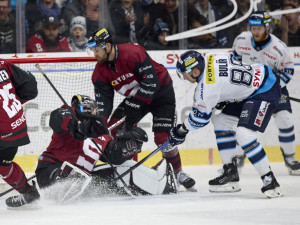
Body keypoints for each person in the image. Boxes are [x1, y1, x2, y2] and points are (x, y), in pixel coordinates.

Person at [87, 27, 196, 191]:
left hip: (161, 93)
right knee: (115, 129)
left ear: (108, 46)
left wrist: (135, 105)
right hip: (137, 98)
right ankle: (132, 170)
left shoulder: (133, 52)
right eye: (92, 50)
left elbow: (152, 83)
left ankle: (178, 173)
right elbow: (105, 106)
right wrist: (99, 127)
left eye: (97, 49)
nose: (94, 54)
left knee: (162, 138)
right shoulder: (100, 73)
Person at [169, 50, 283, 198]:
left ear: (195, 71)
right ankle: (231, 173)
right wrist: (227, 94)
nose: (184, 77)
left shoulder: (206, 90)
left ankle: (269, 180)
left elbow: (200, 119)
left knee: (244, 134)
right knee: (221, 121)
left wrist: (181, 130)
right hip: (256, 79)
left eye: (184, 73)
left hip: (265, 89)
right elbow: (234, 60)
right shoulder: (212, 56)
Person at [35, 94, 176, 198]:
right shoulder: (67, 114)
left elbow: (114, 155)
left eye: (93, 109)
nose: (92, 112)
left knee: (125, 166)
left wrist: (129, 144)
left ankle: (157, 183)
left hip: (79, 180)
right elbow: (56, 118)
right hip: (50, 170)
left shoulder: (102, 135)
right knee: (72, 177)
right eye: (87, 108)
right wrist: (76, 125)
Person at [232, 11, 300, 175]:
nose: (256, 32)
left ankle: (290, 158)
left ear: (267, 27)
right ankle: (237, 158)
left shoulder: (278, 47)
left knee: (285, 119)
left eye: (260, 28)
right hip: (248, 89)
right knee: (240, 123)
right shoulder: (241, 40)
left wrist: (274, 86)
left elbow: (288, 70)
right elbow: (234, 61)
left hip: (273, 88)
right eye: (253, 28)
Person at [0, 59, 40, 208]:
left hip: (3, 129)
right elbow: (30, 87)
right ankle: (28, 192)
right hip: (17, 124)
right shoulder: (2, 64)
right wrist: (12, 107)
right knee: (3, 164)